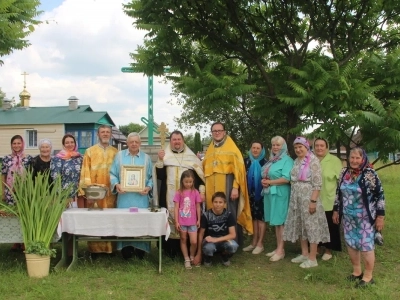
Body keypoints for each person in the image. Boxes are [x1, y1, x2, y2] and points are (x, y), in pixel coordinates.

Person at [333, 148, 385, 287]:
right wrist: (336, 210)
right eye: (352, 158)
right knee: (351, 243)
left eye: (358, 158)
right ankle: (356, 272)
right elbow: (338, 193)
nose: (354, 161)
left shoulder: (370, 174)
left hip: (365, 218)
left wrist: (380, 216)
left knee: (366, 245)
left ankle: (368, 276)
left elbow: (380, 195)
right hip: (348, 217)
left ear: (363, 159)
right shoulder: (344, 172)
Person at [154, 130, 205, 259]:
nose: (176, 142)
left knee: (188, 220)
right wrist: (160, 160)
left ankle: (187, 252)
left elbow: (200, 178)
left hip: (189, 199)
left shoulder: (191, 158)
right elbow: (159, 176)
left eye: (179, 139)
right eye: (174, 139)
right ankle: (170, 251)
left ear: (183, 141)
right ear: (170, 142)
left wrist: (202, 191)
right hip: (168, 198)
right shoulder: (165, 157)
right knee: (170, 221)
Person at [202, 122, 253, 247]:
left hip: (227, 184)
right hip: (211, 188)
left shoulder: (232, 148)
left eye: (220, 130)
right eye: (214, 131)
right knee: (211, 213)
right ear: (212, 133)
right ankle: (210, 243)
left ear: (224, 132)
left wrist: (235, 187)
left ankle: (231, 244)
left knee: (229, 211)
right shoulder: (210, 148)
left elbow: (239, 170)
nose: (217, 133)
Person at [283, 137, 330, 268]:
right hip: (297, 199)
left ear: (306, 147)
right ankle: (304, 253)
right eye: (296, 147)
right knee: (301, 225)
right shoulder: (297, 161)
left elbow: (317, 184)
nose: (298, 150)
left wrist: (313, 201)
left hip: (308, 198)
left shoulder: (313, 161)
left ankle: (312, 258)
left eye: (300, 147)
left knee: (311, 227)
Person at [110, 132, 153, 260]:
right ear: (127, 143)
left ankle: (141, 249)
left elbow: (151, 177)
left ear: (140, 143)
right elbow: (112, 173)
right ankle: (126, 248)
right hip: (124, 198)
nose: (134, 144)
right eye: (131, 142)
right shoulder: (119, 157)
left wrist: (148, 187)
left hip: (141, 199)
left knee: (140, 222)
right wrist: (116, 185)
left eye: (136, 142)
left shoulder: (146, 158)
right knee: (125, 222)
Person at [79, 125, 118, 257]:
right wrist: (88, 193)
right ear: (98, 134)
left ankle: (110, 248)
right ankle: (95, 251)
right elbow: (85, 173)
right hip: (95, 194)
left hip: (111, 193)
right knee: (95, 220)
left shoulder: (116, 152)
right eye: (103, 132)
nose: (105, 134)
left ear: (111, 134)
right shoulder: (90, 151)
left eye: (108, 132)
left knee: (111, 219)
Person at [261, 136, 294, 262]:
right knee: (276, 222)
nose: (275, 147)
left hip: (281, 193)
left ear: (283, 146)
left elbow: (286, 179)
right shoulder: (272, 160)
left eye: (278, 145)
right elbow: (266, 174)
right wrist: (264, 181)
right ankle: (278, 248)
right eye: (273, 145)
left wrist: (270, 182)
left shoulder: (287, 160)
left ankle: (281, 250)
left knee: (280, 222)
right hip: (270, 193)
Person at [1, 135, 33, 252]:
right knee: (13, 215)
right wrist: (4, 192)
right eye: (14, 143)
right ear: (11, 145)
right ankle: (15, 241)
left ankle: (24, 240)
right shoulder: (6, 159)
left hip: (24, 192)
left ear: (22, 144)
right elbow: (3, 175)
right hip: (10, 192)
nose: (16, 146)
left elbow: (31, 176)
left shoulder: (28, 159)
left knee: (23, 215)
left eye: (19, 143)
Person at [313, 138, 343, 261]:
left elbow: (340, 181)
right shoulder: (311, 160)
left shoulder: (334, 161)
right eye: (317, 146)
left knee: (330, 225)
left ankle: (329, 249)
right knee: (316, 225)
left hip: (329, 199)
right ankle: (317, 247)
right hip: (314, 199)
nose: (319, 148)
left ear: (327, 147)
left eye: (322, 146)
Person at [199, 191, 239, 267]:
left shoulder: (228, 215)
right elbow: (201, 234)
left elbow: (233, 235)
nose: (218, 204)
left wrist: (216, 240)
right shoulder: (206, 215)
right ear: (212, 203)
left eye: (220, 202)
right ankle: (207, 258)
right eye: (215, 202)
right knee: (208, 248)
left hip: (224, 240)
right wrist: (198, 253)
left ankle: (224, 256)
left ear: (224, 203)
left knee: (233, 246)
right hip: (209, 241)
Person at [242, 141, 268, 255]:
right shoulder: (246, 161)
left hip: (262, 194)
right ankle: (253, 242)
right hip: (249, 194)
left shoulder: (266, 163)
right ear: (250, 149)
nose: (255, 150)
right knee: (253, 218)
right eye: (253, 148)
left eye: (258, 148)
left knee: (261, 219)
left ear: (262, 150)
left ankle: (260, 244)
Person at [173, 170, 202, 269]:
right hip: (182, 221)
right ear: (182, 181)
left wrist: (198, 220)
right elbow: (176, 207)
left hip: (193, 221)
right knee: (183, 239)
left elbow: (198, 207)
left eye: (190, 182)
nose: (188, 184)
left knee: (194, 241)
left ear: (193, 181)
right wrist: (176, 221)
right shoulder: (179, 192)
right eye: (186, 182)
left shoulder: (195, 192)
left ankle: (192, 256)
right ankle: (186, 259)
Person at [50, 134, 83, 205]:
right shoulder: (58, 158)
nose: (70, 144)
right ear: (63, 144)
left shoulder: (79, 158)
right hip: (64, 194)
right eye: (67, 142)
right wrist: (61, 195)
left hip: (79, 194)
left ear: (75, 143)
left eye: (72, 142)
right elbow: (55, 177)